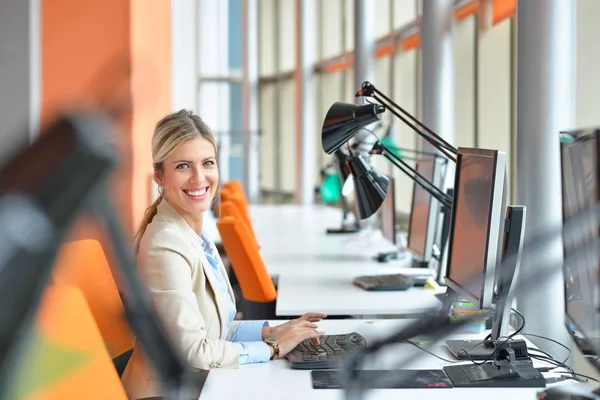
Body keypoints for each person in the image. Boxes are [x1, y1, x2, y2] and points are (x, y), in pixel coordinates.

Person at [121, 110, 326, 399]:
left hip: (199, 383)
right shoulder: (165, 243)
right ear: (159, 175)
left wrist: (273, 331)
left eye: (207, 163)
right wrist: (274, 349)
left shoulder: (195, 233)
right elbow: (194, 349)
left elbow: (215, 330)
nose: (199, 178)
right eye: (182, 166)